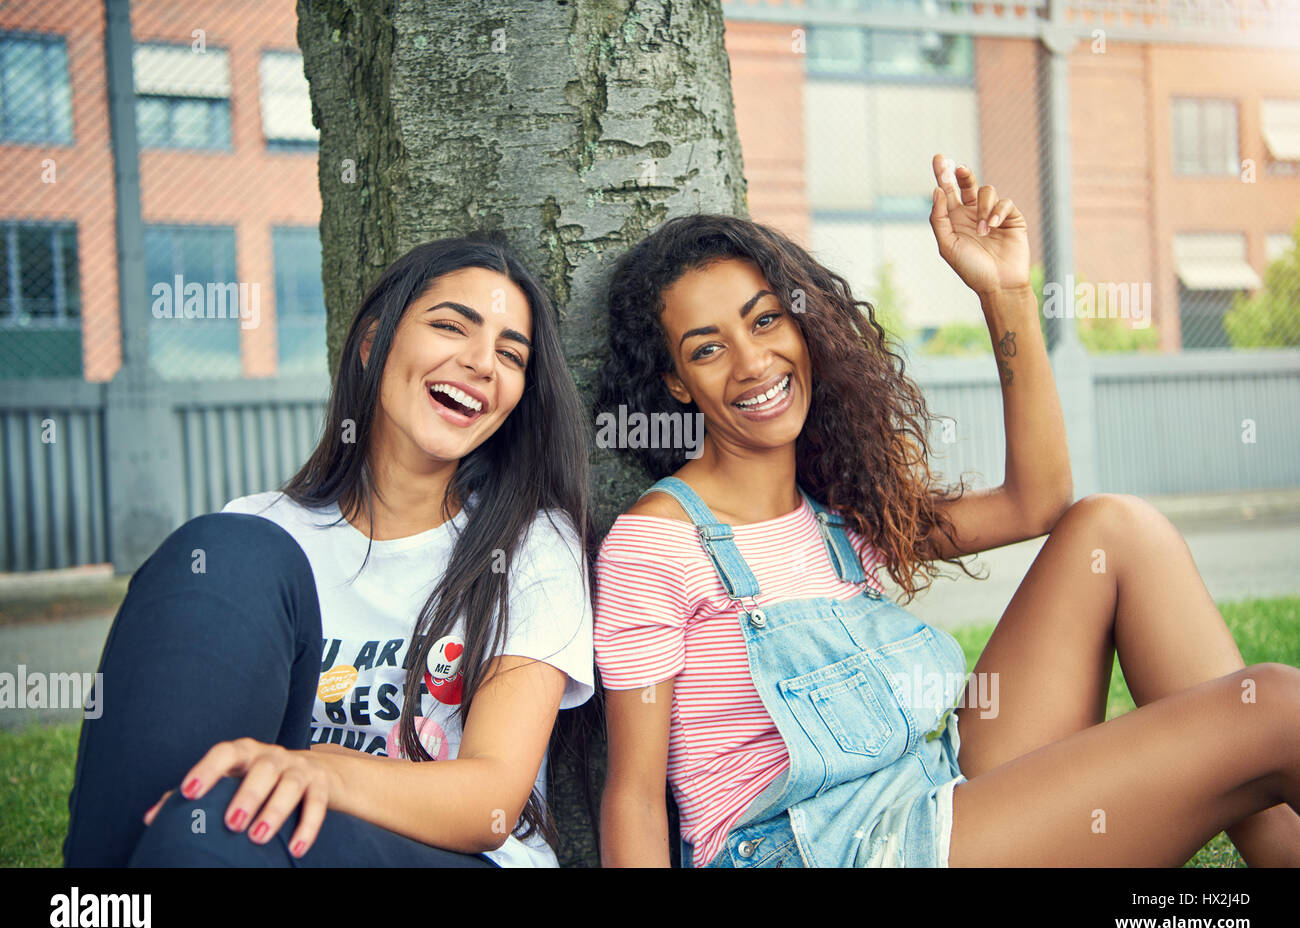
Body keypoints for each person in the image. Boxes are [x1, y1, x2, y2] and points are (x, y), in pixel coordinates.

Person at [592, 154, 1300, 868]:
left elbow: (1038, 502)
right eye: (707, 348)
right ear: (676, 384)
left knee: (1114, 529)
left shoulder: (838, 512)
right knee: (1273, 705)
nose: (751, 361)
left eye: (766, 320)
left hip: (930, 797)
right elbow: (634, 795)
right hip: (820, 851)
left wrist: (1006, 291)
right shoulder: (657, 541)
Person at [63, 233, 596, 867]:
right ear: (373, 344)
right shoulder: (258, 536)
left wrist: (315, 771)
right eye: (453, 326)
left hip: (454, 856)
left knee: (219, 830)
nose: (484, 362)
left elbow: (491, 803)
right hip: (260, 836)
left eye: (511, 355)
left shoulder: (532, 542)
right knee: (201, 823)